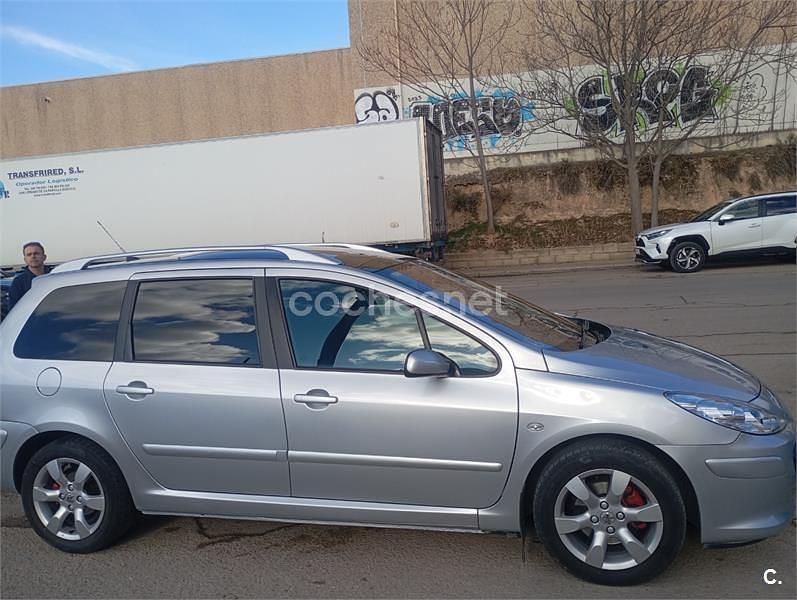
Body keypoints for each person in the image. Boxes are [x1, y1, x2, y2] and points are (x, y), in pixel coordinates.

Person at [8, 242, 52, 312]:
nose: (33, 256)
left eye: (36, 253)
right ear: (25, 259)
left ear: (44, 257)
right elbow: (13, 311)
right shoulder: (18, 282)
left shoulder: (54, 276)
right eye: (29, 254)